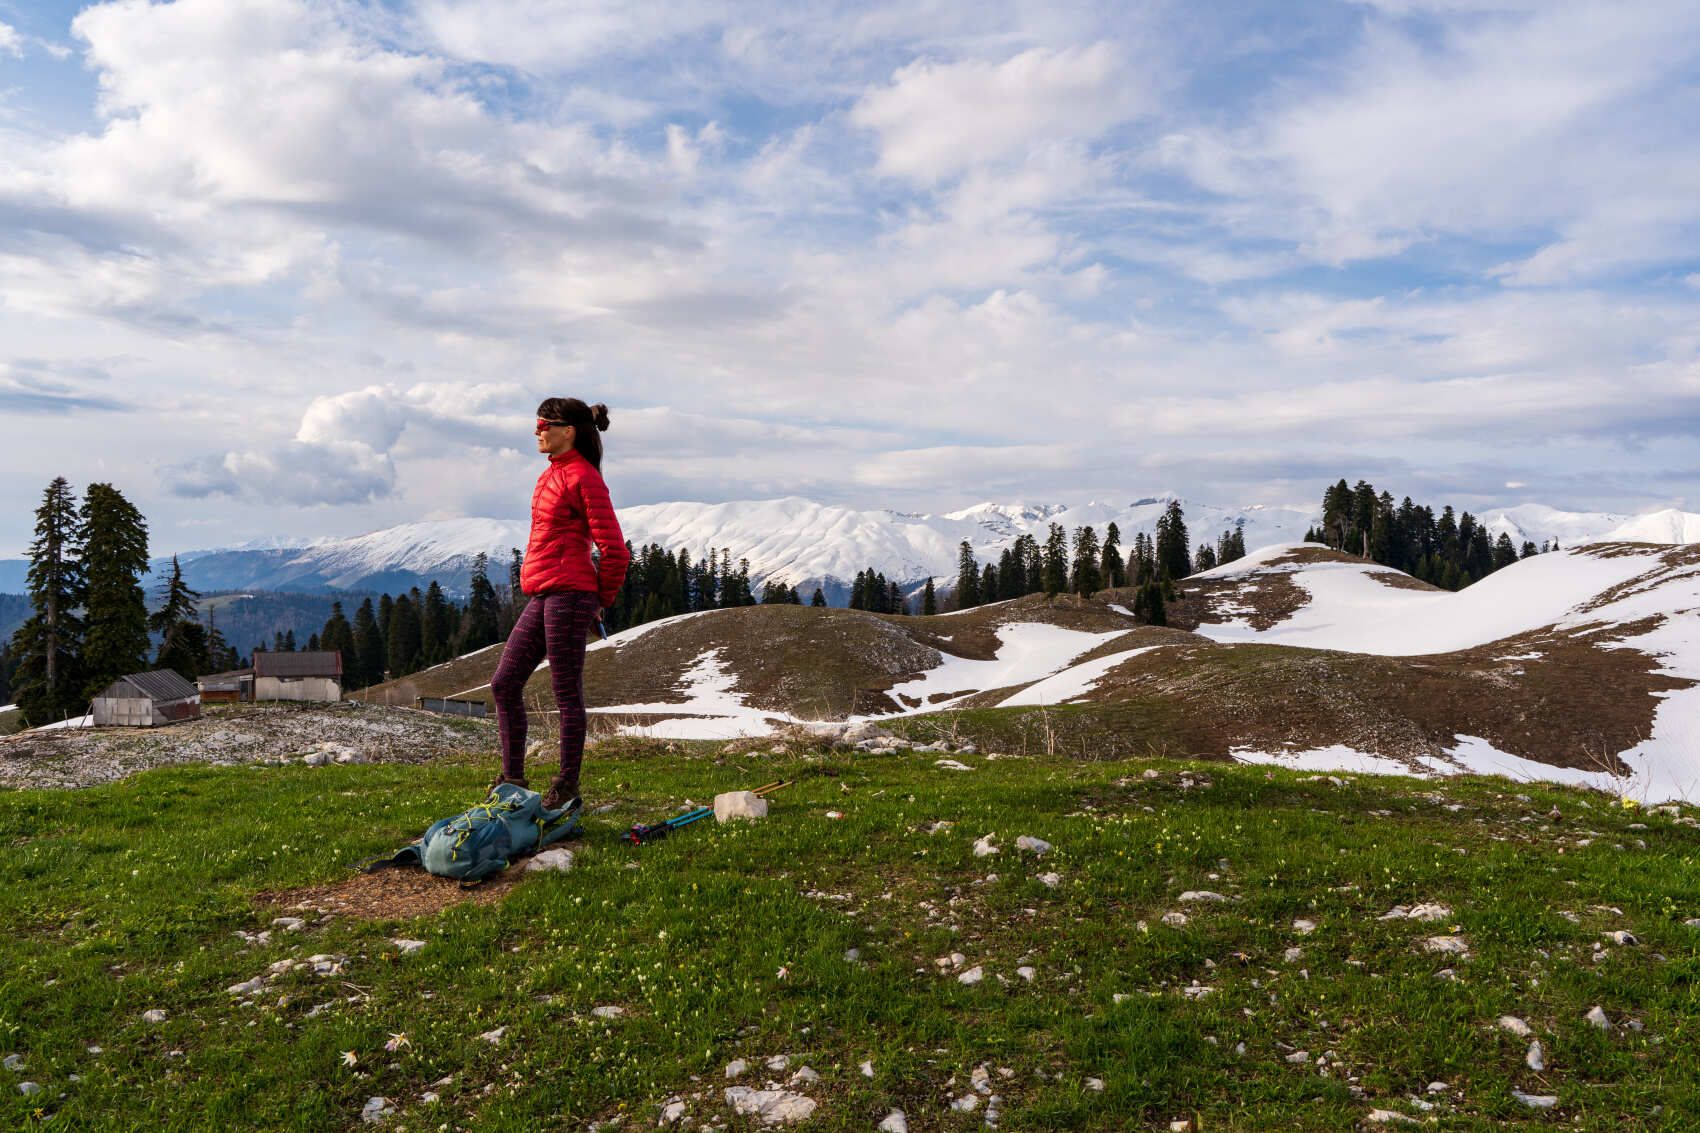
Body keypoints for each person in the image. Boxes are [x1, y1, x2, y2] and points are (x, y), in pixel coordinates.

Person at [487, 398, 631, 814]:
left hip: (570, 594)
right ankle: (512, 781)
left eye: (545, 424)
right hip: (546, 592)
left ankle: (566, 786)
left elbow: (615, 551)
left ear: (569, 431)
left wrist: (599, 601)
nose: (537, 430)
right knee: (504, 683)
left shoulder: (585, 478)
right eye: (537, 423)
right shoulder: (550, 476)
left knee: (566, 693)